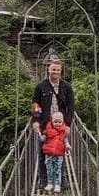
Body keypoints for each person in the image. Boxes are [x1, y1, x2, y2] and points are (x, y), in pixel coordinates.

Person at [31, 58, 75, 189]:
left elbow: (71, 107)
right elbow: (35, 105)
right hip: (45, 126)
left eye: (58, 70)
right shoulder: (40, 86)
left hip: (60, 127)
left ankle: (61, 180)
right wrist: (35, 121)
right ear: (48, 70)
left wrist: (68, 124)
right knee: (43, 152)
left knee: (60, 152)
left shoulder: (67, 87)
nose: (55, 72)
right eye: (53, 69)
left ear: (61, 71)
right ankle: (44, 180)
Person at [39, 110, 70, 193]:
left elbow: (66, 141)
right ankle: (50, 183)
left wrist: (67, 146)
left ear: (62, 122)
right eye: (55, 122)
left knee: (58, 169)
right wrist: (39, 134)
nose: (57, 124)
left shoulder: (64, 132)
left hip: (59, 154)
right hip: (49, 154)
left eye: (59, 122)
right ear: (52, 122)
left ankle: (57, 184)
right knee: (49, 169)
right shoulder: (47, 131)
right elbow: (43, 138)